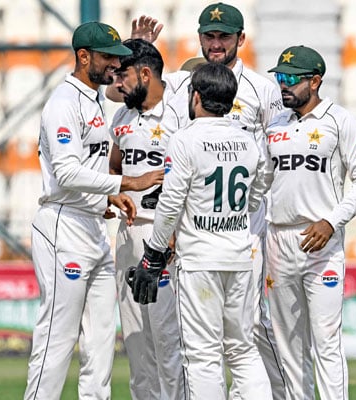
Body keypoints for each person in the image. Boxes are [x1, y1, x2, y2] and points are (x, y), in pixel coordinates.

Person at [24, 22, 163, 400]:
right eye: (107, 58)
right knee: (57, 336)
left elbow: (152, 85)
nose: (114, 67)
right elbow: (67, 172)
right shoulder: (64, 103)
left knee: (101, 343)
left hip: (92, 228)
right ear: (83, 57)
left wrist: (106, 200)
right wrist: (126, 184)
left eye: (118, 60)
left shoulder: (96, 99)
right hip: (62, 225)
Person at [131, 61, 272, 400]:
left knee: (203, 355)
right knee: (243, 349)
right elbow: (261, 186)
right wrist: (235, 213)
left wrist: (152, 255)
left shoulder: (186, 139)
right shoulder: (249, 140)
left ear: (195, 97)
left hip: (199, 261)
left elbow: (170, 204)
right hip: (239, 256)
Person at [263, 45, 356, 400]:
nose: (283, 86)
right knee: (288, 345)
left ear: (315, 81)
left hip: (321, 242)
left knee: (326, 341)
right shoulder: (274, 123)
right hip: (278, 239)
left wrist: (331, 220)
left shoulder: (339, 120)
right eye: (280, 77)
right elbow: (263, 184)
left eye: (291, 79)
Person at [192, 4, 287, 399]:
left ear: (240, 39)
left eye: (224, 37)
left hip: (249, 228)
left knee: (250, 328)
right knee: (204, 336)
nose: (216, 44)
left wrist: (255, 209)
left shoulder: (263, 90)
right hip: (201, 228)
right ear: (200, 38)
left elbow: (275, 157)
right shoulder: (189, 84)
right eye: (210, 36)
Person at [109, 38, 188, 400]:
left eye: (122, 75)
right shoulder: (121, 116)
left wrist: (171, 235)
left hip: (166, 238)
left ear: (145, 73)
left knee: (168, 341)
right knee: (137, 341)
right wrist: (112, 192)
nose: (116, 81)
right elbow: (113, 167)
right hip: (128, 236)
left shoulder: (181, 112)